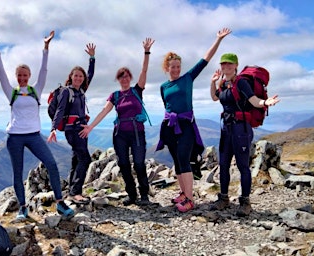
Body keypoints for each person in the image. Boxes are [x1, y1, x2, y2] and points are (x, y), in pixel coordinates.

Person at [0, 31, 75, 220]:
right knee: (17, 173)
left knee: (51, 164)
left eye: (25, 75)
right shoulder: (11, 92)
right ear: (16, 76)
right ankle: (23, 208)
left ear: (29, 76)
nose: (22, 78)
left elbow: (44, 71)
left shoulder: (36, 89)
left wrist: (46, 48)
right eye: (19, 75)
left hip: (34, 135)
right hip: (14, 137)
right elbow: (1, 74)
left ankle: (60, 203)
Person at [156, 28, 232, 213]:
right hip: (169, 126)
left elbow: (205, 60)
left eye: (178, 66)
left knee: (184, 158)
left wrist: (218, 39)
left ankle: (190, 199)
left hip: (186, 125)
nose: (176, 69)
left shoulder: (188, 78)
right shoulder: (163, 86)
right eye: (173, 66)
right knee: (176, 160)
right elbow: (168, 105)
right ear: (167, 68)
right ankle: (183, 193)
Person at [79, 38, 155, 206]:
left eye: (127, 76)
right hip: (120, 133)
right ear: (118, 79)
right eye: (121, 77)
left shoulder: (137, 90)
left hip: (137, 132)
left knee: (140, 163)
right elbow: (104, 111)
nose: (124, 79)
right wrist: (91, 126)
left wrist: (146, 52)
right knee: (123, 164)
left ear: (130, 78)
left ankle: (144, 195)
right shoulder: (115, 95)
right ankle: (132, 195)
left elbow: (144, 70)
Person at [209, 53, 280, 216]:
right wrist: (212, 82)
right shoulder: (223, 83)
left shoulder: (241, 82)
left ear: (236, 66)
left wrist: (265, 103)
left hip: (241, 129)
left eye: (229, 64)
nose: (225, 67)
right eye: (223, 64)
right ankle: (224, 198)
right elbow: (214, 97)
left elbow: (254, 100)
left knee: (242, 166)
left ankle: (245, 202)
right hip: (226, 128)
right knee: (224, 165)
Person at [46, 44, 96, 205]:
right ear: (71, 77)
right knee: (85, 158)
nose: (79, 78)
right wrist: (53, 128)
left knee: (77, 158)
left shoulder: (81, 91)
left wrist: (92, 58)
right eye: (76, 76)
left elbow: (91, 74)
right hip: (72, 129)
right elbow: (60, 110)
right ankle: (76, 192)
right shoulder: (66, 91)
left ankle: (72, 191)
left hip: (82, 128)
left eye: (81, 76)